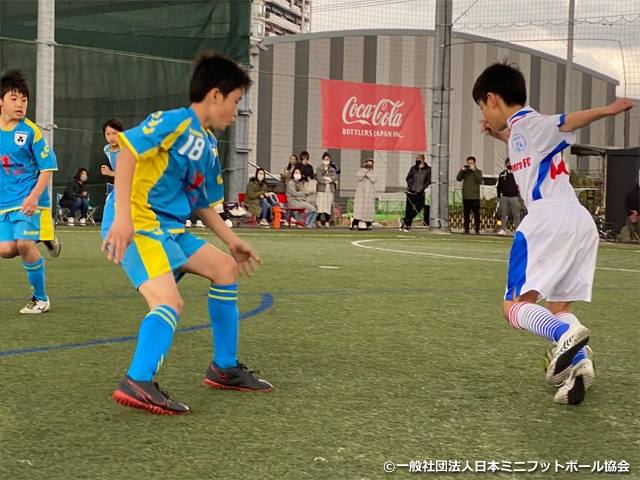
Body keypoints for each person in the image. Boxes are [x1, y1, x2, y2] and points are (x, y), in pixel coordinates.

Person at [101, 52, 272, 416]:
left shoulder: (208, 145)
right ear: (215, 95)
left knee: (225, 269)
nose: (237, 111)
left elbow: (201, 202)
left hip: (170, 229)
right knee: (169, 302)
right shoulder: (175, 122)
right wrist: (121, 218)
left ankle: (223, 368)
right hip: (139, 224)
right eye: (236, 101)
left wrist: (232, 241)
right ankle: (137, 380)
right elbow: (128, 151)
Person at [473, 61, 634, 405]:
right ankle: (580, 363)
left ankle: (566, 335)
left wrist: (609, 109)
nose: (485, 114)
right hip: (579, 222)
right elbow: (528, 141)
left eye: (483, 107)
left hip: (548, 220)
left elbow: (562, 122)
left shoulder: (531, 122)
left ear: (492, 99)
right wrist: (496, 133)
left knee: (513, 306)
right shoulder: (518, 131)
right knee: (558, 304)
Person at [0, 68, 59, 314]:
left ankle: (40, 298)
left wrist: (34, 196)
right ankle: (44, 235)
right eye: (14, 99)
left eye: (24, 100)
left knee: (24, 244)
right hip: (6, 202)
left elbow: (48, 167)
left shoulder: (30, 131)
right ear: (1, 100)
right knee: (5, 250)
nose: (20, 104)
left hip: (30, 199)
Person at [400, 154, 431, 232]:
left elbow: (428, 180)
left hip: (420, 193)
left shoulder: (428, 169)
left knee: (419, 208)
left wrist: (422, 188)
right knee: (409, 209)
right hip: (411, 192)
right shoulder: (413, 168)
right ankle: (407, 225)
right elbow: (408, 178)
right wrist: (411, 186)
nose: (416, 160)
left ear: (422, 159)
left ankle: (404, 220)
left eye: (418, 159)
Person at [456, 156, 483, 234]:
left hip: (475, 196)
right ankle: (466, 229)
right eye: (468, 163)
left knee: (476, 214)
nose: (470, 165)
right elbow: (458, 178)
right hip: (466, 196)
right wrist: (462, 171)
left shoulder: (478, 171)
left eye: (471, 163)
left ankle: (477, 229)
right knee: (466, 214)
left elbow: (479, 179)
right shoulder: (465, 172)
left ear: (474, 163)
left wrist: (474, 170)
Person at [496, 157, 521, 235]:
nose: (509, 164)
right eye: (508, 163)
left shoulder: (517, 174)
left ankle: (517, 230)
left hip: (514, 197)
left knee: (516, 214)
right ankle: (502, 229)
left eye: (510, 163)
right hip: (504, 197)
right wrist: (499, 195)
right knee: (503, 214)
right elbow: (499, 185)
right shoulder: (503, 174)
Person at [351, 158, 376, 230]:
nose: (369, 165)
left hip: (369, 194)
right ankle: (355, 223)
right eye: (368, 164)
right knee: (359, 209)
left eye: (371, 164)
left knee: (368, 209)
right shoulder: (361, 171)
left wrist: (368, 173)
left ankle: (369, 224)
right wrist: (365, 171)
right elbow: (359, 177)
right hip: (361, 193)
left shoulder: (373, 172)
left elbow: (374, 179)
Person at [315, 152, 338, 227]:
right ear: (322, 160)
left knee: (328, 205)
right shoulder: (319, 169)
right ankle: (318, 221)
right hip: (321, 190)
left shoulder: (332, 169)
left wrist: (326, 178)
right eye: (325, 159)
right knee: (320, 205)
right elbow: (319, 178)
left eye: (327, 159)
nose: (326, 160)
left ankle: (327, 221)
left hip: (330, 190)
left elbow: (334, 178)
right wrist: (328, 179)